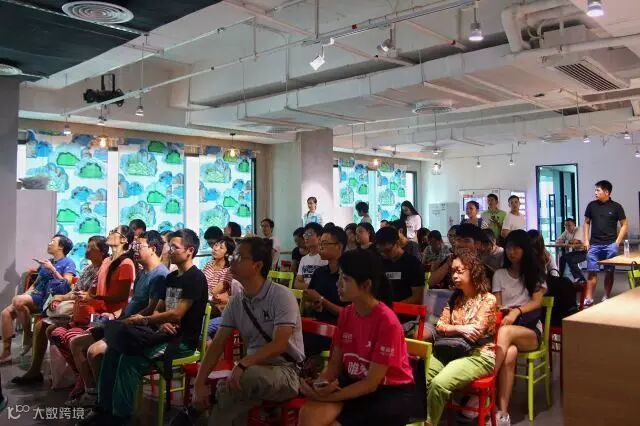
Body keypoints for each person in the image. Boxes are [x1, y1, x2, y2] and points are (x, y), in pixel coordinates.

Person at [82, 229, 208, 425]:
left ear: (190, 250)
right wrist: (159, 320)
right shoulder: (171, 277)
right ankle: (103, 408)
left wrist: (145, 320)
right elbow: (159, 309)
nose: (169, 251)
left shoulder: (195, 277)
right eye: (170, 247)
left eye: (175, 247)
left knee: (130, 360)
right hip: (161, 334)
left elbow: (177, 314)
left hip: (180, 341)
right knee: (113, 351)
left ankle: (120, 418)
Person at [297, 249, 417, 426]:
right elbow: (334, 366)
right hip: (354, 383)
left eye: (345, 279)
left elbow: (371, 383)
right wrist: (319, 385)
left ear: (366, 285)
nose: (338, 283)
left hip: (388, 393)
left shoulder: (387, 322)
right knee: (308, 415)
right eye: (339, 276)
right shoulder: (347, 314)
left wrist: (327, 397)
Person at [192, 238, 304, 426]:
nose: (232, 259)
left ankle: (199, 413)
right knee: (235, 393)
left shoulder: (281, 296)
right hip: (252, 370)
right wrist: (198, 384)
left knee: (237, 383)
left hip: (286, 371)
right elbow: (217, 344)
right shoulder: (237, 302)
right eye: (233, 255)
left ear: (257, 266)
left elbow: (279, 344)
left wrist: (243, 364)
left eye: (238, 256)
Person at [68, 231, 168, 407]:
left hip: (136, 327)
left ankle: (102, 399)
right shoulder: (143, 272)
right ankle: (93, 391)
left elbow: (150, 310)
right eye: (134, 245)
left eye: (138, 246)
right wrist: (116, 316)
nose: (134, 249)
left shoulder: (159, 275)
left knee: (94, 351)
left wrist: (123, 321)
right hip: (124, 322)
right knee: (76, 343)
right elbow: (131, 303)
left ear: (152, 249)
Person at [50, 225, 136, 407]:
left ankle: (96, 392)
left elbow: (122, 297)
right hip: (98, 315)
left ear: (124, 240)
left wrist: (94, 298)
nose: (110, 234)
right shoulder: (106, 262)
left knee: (77, 342)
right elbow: (94, 289)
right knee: (61, 335)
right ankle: (89, 386)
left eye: (114, 232)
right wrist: (86, 295)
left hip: (114, 318)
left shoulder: (126, 264)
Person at [11, 236, 108, 386]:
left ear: (102, 252)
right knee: (39, 324)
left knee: (48, 326)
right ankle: (35, 370)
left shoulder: (102, 269)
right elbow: (73, 291)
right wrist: (59, 298)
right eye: (87, 247)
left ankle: (82, 380)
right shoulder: (88, 269)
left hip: (90, 312)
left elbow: (71, 287)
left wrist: (61, 292)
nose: (87, 251)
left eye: (91, 248)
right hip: (74, 306)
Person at [426, 249, 498, 426]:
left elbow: (476, 332)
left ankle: (429, 423)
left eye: (459, 271)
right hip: (450, 350)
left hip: (479, 354)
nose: (454, 276)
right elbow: (440, 326)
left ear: (473, 271)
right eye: (453, 271)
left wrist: (452, 329)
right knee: (422, 378)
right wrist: (461, 328)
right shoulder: (455, 298)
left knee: (439, 383)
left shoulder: (488, 299)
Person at [492, 230, 546, 426]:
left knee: (505, 332)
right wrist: (505, 311)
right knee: (510, 354)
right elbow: (498, 305)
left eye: (516, 247)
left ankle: (486, 384)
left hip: (529, 331)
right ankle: (502, 413)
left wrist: (516, 311)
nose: (511, 252)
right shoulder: (499, 274)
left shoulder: (535, 273)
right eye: (508, 247)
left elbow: (537, 302)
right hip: (506, 329)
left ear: (525, 249)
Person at [1, 234, 76, 363]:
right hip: (35, 295)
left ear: (61, 247)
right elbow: (36, 284)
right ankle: (6, 353)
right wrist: (25, 294)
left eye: (53, 242)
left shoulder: (69, 263)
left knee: (18, 301)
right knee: (6, 313)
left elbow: (67, 284)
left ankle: (28, 336)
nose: (49, 243)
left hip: (48, 298)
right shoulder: (48, 262)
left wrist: (52, 270)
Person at [303, 226, 348, 356]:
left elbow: (349, 314)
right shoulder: (320, 272)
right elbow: (307, 302)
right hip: (318, 324)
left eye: (324, 244)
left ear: (339, 246)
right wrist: (313, 304)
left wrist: (322, 300)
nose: (320, 247)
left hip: (340, 329)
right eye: (320, 243)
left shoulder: (348, 275)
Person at [583, 180, 627, 305]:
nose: (595, 192)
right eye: (595, 190)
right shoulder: (591, 205)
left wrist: (617, 242)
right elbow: (586, 222)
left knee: (609, 271)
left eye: (598, 190)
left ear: (606, 192)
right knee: (592, 271)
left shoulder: (616, 207)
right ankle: (588, 298)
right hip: (594, 245)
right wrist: (586, 240)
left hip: (610, 245)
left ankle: (607, 296)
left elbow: (624, 224)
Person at [375, 227, 424, 306]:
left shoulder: (412, 264)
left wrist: (392, 307)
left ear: (397, 243)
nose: (383, 254)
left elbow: (417, 297)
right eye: (380, 251)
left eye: (387, 251)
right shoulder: (380, 262)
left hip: (405, 311)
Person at [202, 236, 240, 337]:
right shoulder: (208, 265)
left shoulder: (228, 270)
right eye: (215, 245)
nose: (215, 248)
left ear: (227, 253)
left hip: (214, 306)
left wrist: (203, 292)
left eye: (221, 247)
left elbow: (214, 291)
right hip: (204, 300)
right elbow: (200, 284)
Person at [295, 222, 328, 289]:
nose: (306, 238)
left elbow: (324, 285)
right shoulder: (303, 259)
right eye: (305, 235)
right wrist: (312, 287)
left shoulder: (325, 258)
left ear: (319, 238)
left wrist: (305, 286)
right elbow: (297, 284)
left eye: (309, 234)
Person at [557, 218, 586, 283]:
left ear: (574, 225)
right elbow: (558, 241)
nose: (567, 227)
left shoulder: (579, 229)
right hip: (577, 251)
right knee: (562, 258)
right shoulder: (566, 232)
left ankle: (581, 279)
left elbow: (575, 241)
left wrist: (565, 241)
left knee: (571, 260)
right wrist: (567, 241)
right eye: (566, 225)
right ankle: (560, 277)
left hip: (586, 252)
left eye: (569, 225)